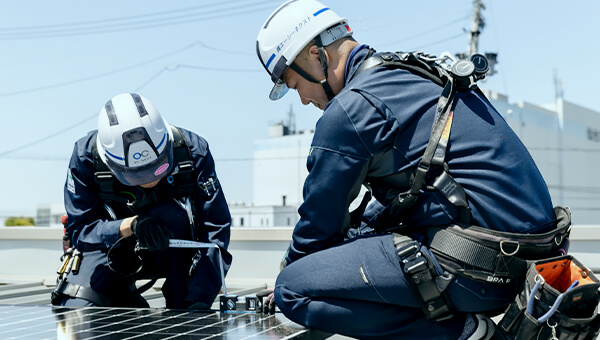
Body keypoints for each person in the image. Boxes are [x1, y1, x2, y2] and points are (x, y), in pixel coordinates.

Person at [255, 1, 569, 339]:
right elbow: (417, 189)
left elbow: (319, 225)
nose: (302, 99)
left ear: (317, 56)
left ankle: (465, 334)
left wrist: (292, 267)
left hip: (478, 273)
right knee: (363, 231)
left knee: (292, 289)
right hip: (529, 267)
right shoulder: (410, 72)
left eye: (293, 83)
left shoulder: (349, 110)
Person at [54, 93, 232, 309]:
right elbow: (81, 229)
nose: (150, 180)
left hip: (177, 255)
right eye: (136, 176)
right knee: (77, 309)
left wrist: (201, 296)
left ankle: (182, 301)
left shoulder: (192, 151)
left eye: (158, 168)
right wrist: (131, 225)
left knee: (189, 312)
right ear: (112, 165)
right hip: (108, 252)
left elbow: (215, 230)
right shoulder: (86, 158)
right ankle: (123, 299)